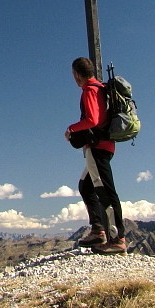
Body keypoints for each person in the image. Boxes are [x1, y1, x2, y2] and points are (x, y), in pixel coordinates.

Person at [65, 56, 126, 254]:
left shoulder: (90, 90)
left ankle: (117, 239)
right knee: (86, 185)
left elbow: (92, 119)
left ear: (77, 75)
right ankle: (98, 230)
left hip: (97, 147)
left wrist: (71, 129)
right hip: (106, 145)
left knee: (105, 191)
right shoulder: (101, 88)